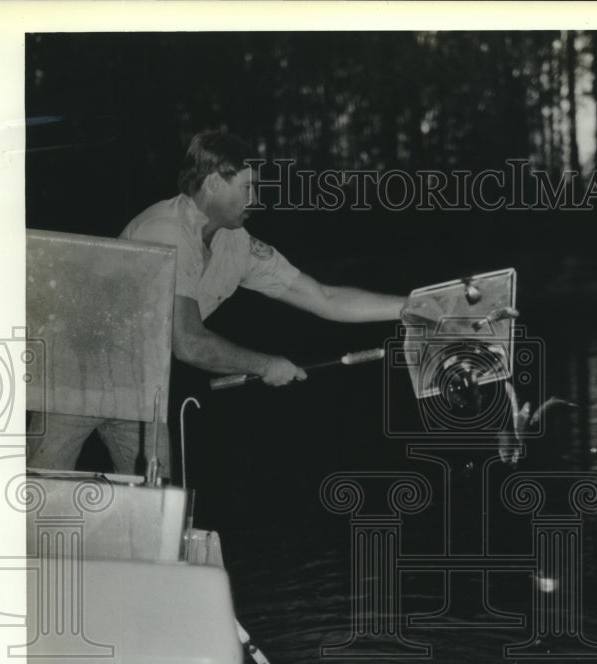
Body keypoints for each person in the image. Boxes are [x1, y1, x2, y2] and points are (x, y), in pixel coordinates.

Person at [27, 130, 406, 477]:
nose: (254, 199)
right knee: (35, 496)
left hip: (142, 385)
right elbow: (188, 341)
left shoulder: (236, 243)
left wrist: (414, 307)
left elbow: (327, 298)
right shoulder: (165, 231)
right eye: (246, 188)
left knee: (157, 510)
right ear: (212, 183)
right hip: (75, 371)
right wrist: (264, 364)